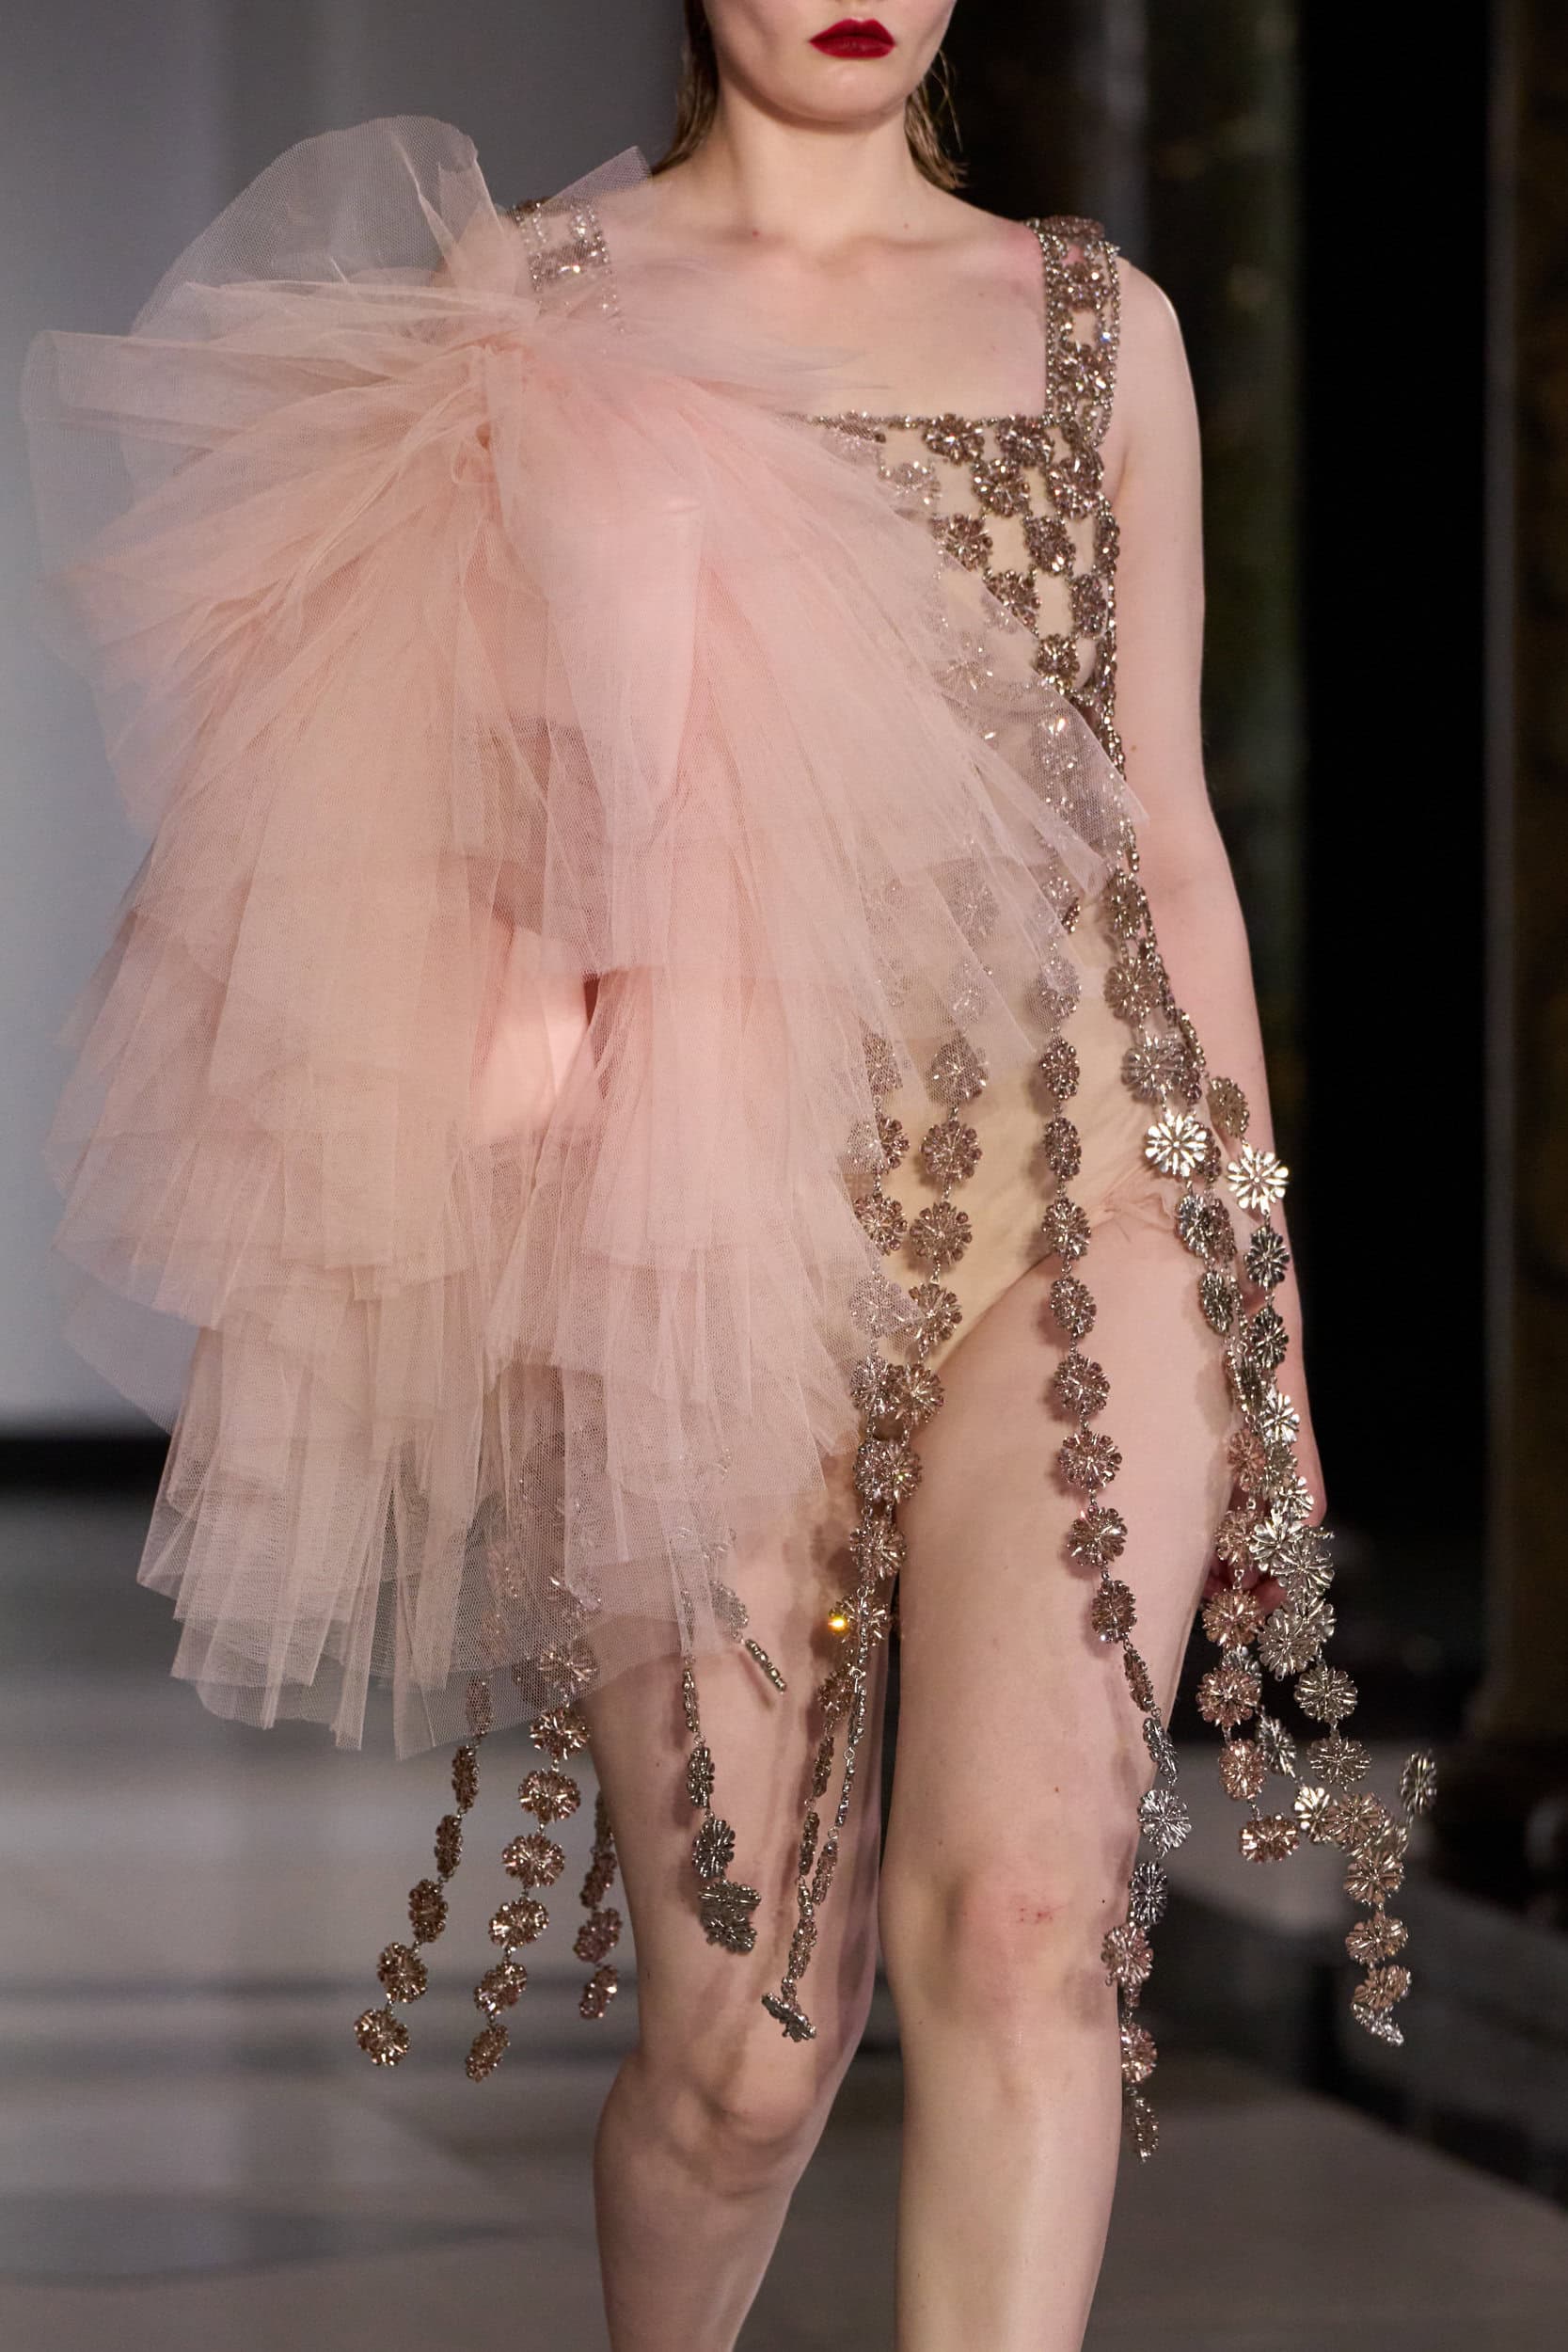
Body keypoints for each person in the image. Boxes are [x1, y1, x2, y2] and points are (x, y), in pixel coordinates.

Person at [22, 5, 1434, 2347]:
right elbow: (426, 779)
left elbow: (1168, 830)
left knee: (1028, 1916)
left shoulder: (1101, 325)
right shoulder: (540, 292)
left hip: (1086, 1170)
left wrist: (1248, 1248)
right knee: (748, 2049)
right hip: (695, 1204)